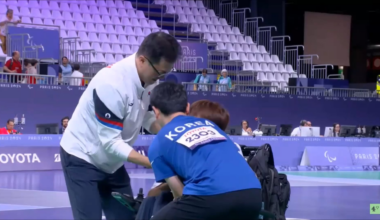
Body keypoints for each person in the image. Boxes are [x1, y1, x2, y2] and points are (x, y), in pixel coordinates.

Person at [59, 32, 182, 220]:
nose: (160, 78)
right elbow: (111, 143)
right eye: (160, 73)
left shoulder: (149, 79)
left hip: (112, 162)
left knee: (127, 217)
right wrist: (156, 163)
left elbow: (148, 118)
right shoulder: (112, 84)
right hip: (82, 157)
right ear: (142, 60)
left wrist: (175, 137)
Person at [148, 82, 262, 220]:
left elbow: (180, 194)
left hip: (211, 198)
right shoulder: (210, 125)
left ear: (156, 111)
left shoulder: (158, 143)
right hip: (253, 195)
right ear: (187, 107)